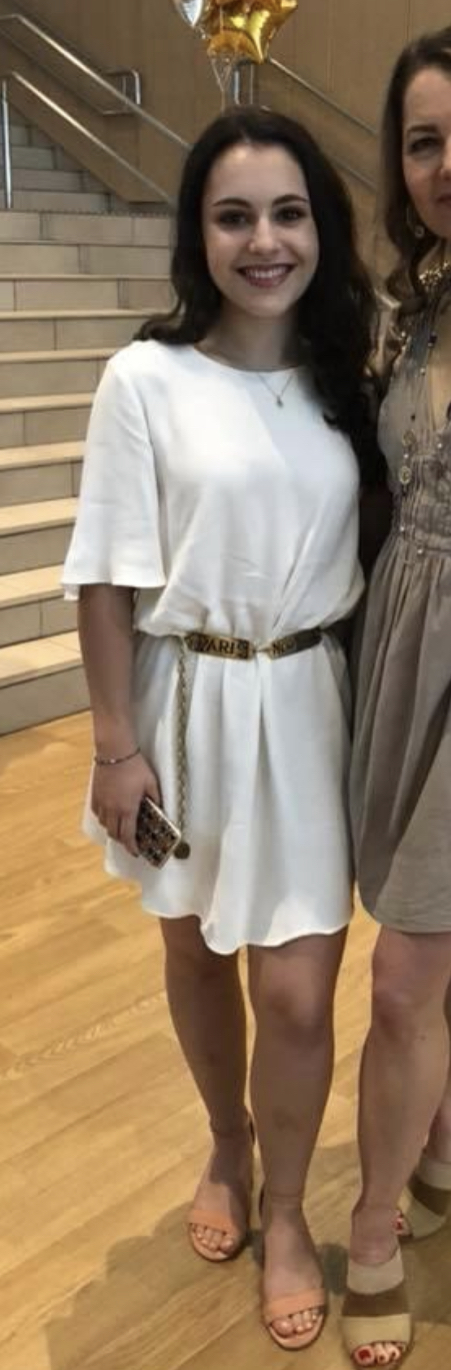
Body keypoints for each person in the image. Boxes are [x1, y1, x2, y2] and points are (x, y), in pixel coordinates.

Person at [63, 106, 379, 1352]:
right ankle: (226, 1143)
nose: (264, 241)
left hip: (308, 705)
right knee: (195, 953)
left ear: (321, 227)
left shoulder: (348, 379)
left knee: (296, 992)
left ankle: (290, 1210)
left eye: (288, 213)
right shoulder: (146, 378)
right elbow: (105, 571)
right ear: (198, 233)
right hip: (182, 699)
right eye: (233, 215)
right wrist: (113, 743)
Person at [344, 25, 451, 1370]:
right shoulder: (409, 309)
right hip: (401, 649)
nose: (446, 163)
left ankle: (370, 1229)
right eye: (425, 139)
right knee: (432, 949)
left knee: (403, 975)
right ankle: (434, 1146)